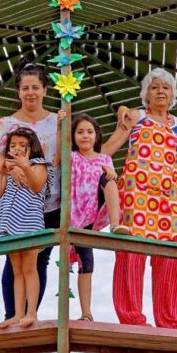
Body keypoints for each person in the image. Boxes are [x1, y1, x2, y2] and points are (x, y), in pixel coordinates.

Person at [104, 68, 177, 329]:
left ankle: (170, 319)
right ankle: (131, 317)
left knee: (173, 258)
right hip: (136, 198)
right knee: (131, 257)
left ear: (173, 93)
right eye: (154, 87)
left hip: (169, 200)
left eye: (165, 87)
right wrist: (107, 172)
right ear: (146, 95)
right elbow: (107, 151)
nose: (160, 91)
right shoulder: (136, 116)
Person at [0, 58, 60, 321]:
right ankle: (13, 314)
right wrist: (12, 169)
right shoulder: (6, 123)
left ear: (44, 90)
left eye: (35, 87)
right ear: (18, 91)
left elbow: (61, 157)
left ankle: (32, 313)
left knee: (38, 261)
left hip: (48, 200)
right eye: (25, 87)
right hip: (12, 200)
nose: (30, 92)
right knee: (13, 261)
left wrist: (29, 169)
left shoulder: (57, 121)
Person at [57, 111, 129, 322]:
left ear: (97, 136)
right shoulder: (72, 157)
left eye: (89, 132)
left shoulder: (104, 159)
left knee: (109, 179)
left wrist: (111, 174)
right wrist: (61, 126)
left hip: (95, 211)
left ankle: (115, 225)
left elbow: (109, 181)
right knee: (86, 262)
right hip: (77, 217)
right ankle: (86, 312)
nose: (85, 136)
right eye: (80, 132)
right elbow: (61, 150)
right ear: (73, 136)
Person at [0, 127, 53, 328]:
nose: (17, 149)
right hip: (9, 222)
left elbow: (36, 187)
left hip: (29, 222)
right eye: (13, 145)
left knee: (29, 267)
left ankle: (32, 312)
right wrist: (1, 174)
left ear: (32, 147)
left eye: (22, 145)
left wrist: (25, 167)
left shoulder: (39, 165)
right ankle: (18, 313)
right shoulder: (8, 168)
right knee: (16, 270)